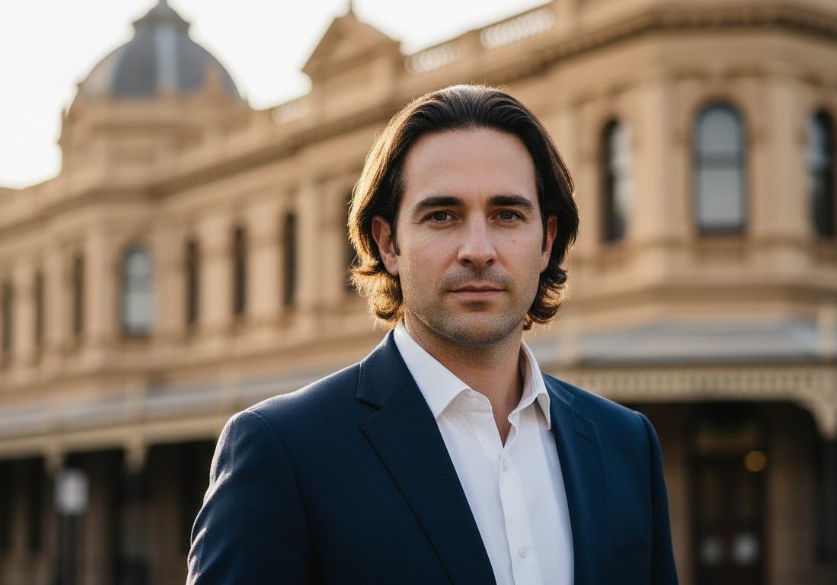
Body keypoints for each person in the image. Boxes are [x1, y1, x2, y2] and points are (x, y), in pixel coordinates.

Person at [187, 84, 678, 585]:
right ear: (388, 243)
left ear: (547, 241)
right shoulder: (283, 451)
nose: (478, 249)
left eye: (507, 215)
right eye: (442, 216)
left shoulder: (625, 444)